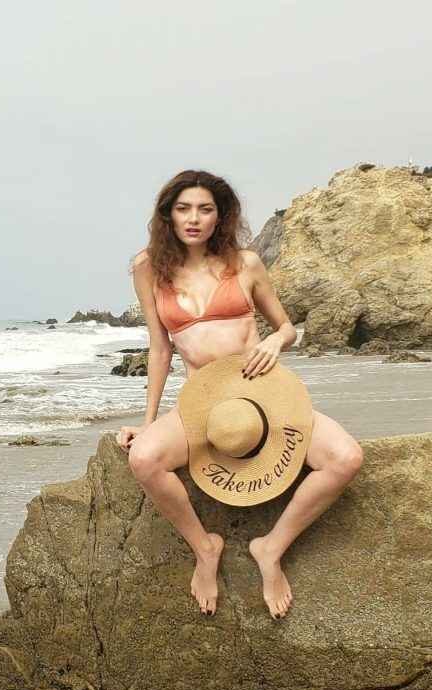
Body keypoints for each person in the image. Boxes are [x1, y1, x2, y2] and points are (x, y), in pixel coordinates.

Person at [115, 169, 364, 620]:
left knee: (345, 458)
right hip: (204, 405)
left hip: (264, 398)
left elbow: (287, 327)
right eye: (184, 208)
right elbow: (159, 347)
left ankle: (271, 548)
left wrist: (273, 340)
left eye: (205, 209)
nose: (194, 218)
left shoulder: (245, 263)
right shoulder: (148, 268)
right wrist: (148, 422)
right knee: (144, 459)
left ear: (220, 216)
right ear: (168, 214)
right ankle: (205, 548)